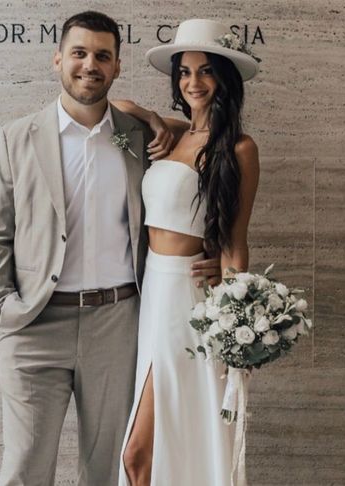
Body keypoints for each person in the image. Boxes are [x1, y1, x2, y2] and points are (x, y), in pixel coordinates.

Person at [0, 11, 222, 486]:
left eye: (102, 56)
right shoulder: (16, 138)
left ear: (116, 66)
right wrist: (0, 308)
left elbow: (193, 178)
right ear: (58, 60)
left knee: (108, 468)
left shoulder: (141, 138)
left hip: (118, 323)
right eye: (79, 53)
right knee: (25, 467)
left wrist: (210, 255)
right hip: (34, 325)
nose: (90, 65)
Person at [112, 19, 261, 486]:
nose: (193, 82)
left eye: (205, 71)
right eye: (184, 72)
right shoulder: (173, 134)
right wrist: (154, 118)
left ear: (225, 78)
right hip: (151, 291)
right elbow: (115, 109)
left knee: (138, 453)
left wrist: (236, 330)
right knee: (152, 447)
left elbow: (235, 241)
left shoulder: (239, 149)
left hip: (189, 299)